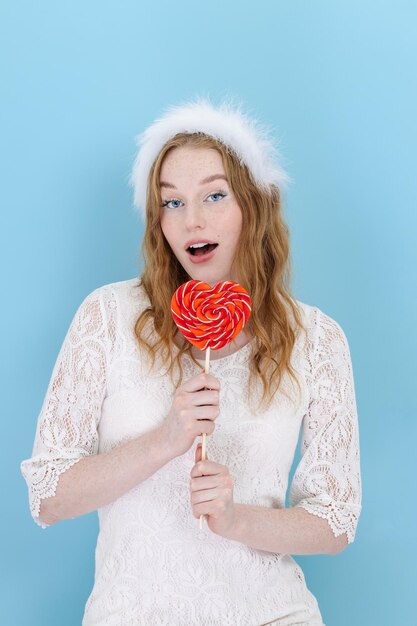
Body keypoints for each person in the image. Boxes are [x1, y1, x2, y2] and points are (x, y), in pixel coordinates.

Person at [20, 97, 362, 626]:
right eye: (172, 202)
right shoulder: (107, 317)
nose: (192, 220)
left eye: (214, 195)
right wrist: (164, 441)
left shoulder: (317, 339)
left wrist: (235, 519)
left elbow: (335, 521)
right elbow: (48, 497)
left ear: (254, 205)